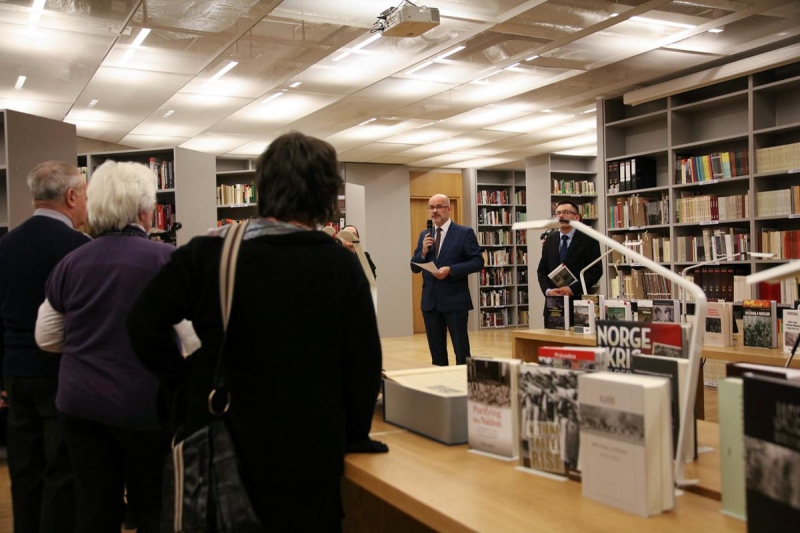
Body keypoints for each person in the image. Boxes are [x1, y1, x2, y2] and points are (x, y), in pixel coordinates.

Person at [126, 131, 384, 531]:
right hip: (308, 444)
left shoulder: (210, 253)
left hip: (222, 435)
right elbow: (363, 364)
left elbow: (142, 322)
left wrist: (183, 383)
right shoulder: (339, 264)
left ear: (262, 186)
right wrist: (354, 434)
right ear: (326, 193)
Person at [34, 160, 175, 533]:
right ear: (145, 212)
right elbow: (191, 338)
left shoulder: (71, 262)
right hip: (146, 405)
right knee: (153, 504)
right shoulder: (167, 261)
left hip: (81, 405)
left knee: (95, 506)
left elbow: (46, 337)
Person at [0, 161, 90, 533]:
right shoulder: (79, 248)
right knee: (61, 471)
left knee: (24, 471)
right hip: (58, 375)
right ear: (71, 197)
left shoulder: (5, 244)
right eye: (85, 195)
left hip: (15, 374)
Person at [411, 194, 484, 366]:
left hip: (455, 302)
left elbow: (478, 262)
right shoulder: (424, 235)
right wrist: (422, 252)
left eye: (439, 206)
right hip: (430, 303)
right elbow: (414, 267)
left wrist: (451, 270)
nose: (434, 211)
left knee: (461, 351)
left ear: (448, 209)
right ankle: (441, 387)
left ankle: (465, 387)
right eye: (431, 207)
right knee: (436, 353)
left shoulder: (464, 233)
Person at [537, 200, 602, 321]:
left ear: (576, 217)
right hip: (553, 304)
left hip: (578, 304)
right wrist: (548, 291)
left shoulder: (589, 239)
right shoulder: (550, 239)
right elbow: (542, 270)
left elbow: (596, 271)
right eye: (558, 213)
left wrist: (572, 289)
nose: (561, 216)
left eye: (566, 212)